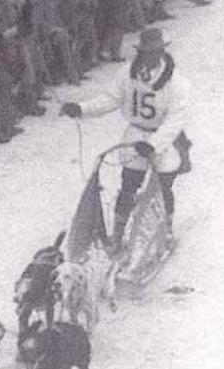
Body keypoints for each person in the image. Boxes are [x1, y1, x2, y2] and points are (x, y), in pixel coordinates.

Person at [60, 27, 191, 246]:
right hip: (136, 133)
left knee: (163, 186)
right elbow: (111, 99)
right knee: (129, 184)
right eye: (147, 52)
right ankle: (119, 233)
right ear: (140, 52)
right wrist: (82, 109)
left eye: (156, 52)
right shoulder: (127, 73)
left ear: (162, 52)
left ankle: (165, 229)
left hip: (163, 139)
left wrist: (154, 145)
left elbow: (175, 120)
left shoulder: (177, 83)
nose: (151, 57)